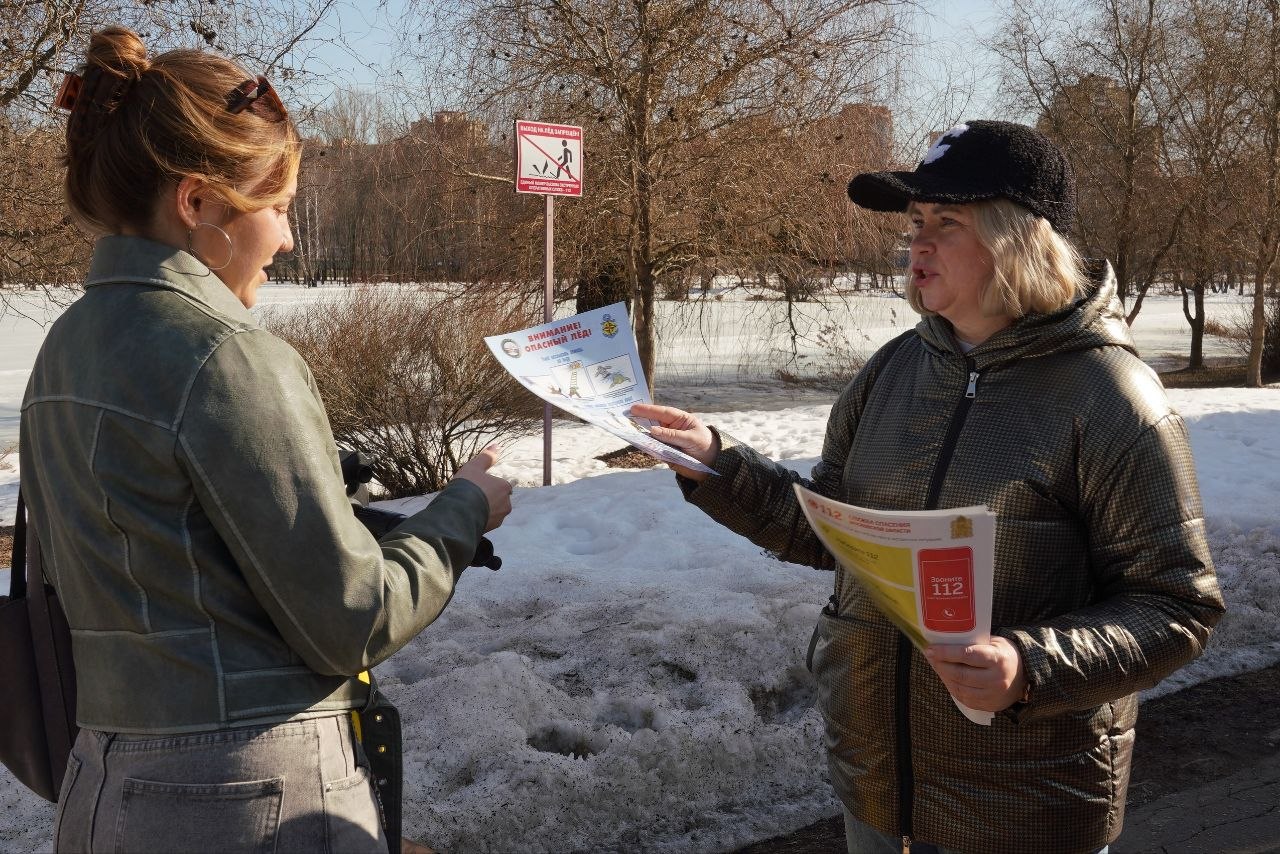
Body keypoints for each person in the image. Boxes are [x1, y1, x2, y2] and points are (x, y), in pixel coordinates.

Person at [633, 120, 1224, 854]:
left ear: (1019, 238)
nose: (917, 244)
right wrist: (718, 465)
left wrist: (1027, 665)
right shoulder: (892, 371)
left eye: (947, 223)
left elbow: (1176, 605)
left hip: (1023, 806)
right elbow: (837, 533)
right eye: (915, 222)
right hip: (878, 789)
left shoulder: (1110, 395)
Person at [20, 26, 512, 853]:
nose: (286, 237)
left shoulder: (64, 350)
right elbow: (351, 621)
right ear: (198, 202)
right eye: (275, 206)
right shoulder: (226, 356)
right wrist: (464, 509)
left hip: (99, 788)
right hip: (249, 795)